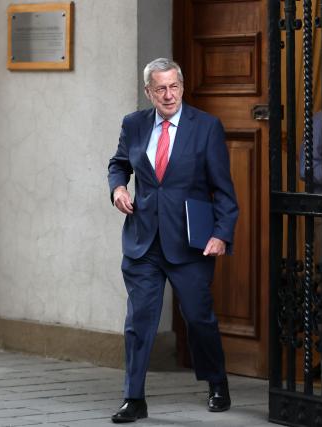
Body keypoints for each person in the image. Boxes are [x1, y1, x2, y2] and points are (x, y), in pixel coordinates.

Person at [108, 58, 239, 423]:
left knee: (199, 318)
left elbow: (223, 190)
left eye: (174, 87)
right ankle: (133, 398)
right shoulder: (133, 124)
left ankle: (216, 382)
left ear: (182, 86)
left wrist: (221, 234)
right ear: (148, 92)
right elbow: (119, 163)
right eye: (160, 89)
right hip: (143, 240)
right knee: (139, 320)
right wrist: (118, 187)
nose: (169, 95)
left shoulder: (206, 126)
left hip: (190, 240)